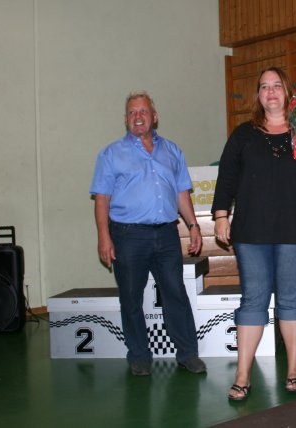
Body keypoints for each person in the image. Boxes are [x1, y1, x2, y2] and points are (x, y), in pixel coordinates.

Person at [211, 67, 296, 400]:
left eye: (276, 85)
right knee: (252, 299)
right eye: (264, 86)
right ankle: (243, 374)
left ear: (288, 91)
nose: (270, 91)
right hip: (251, 231)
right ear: (258, 95)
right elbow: (226, 178)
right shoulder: (243, 134)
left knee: (291, 298)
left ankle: (294, 368)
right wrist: (221, 216)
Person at [90, 91, 206, 376]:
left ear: (155, 117)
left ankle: (188, 354)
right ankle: (139, 355)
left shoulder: (173, 151)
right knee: (131, 298)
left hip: (167, 234)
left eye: (143, 111)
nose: (138, 116)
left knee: (175, 293)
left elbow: (181, 193)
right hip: (127, 236)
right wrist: (104, 237)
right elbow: (102, 199)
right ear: (126, 119)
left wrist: (193, 226)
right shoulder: (110, 154)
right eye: (132, 112)